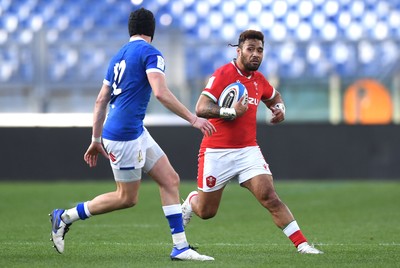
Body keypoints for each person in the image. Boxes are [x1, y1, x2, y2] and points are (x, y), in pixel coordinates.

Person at [49, 7, 216, 261]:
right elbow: (160, 92)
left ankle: (180, 247)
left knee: (170, 179)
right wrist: (193, 118)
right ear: (152, 31)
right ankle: (64, 216)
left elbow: (100, 101)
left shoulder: (118, 56)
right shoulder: (151, 53)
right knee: (126, 198)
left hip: (131, 130)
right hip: (125, 136)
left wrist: (95, 139)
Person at [181, 29, 323, 254]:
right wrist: (230, 112)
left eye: (259, 50)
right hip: (216, 151)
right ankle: (191, 200)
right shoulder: (223, 74)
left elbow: (274, 96)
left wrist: (279, 108)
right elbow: (201, 108)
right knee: (207, 212)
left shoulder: (259, 80)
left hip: (248, 150)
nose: (256, 54)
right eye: (250, 49)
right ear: (239, 51)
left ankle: (303, 245)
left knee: (270, 197)